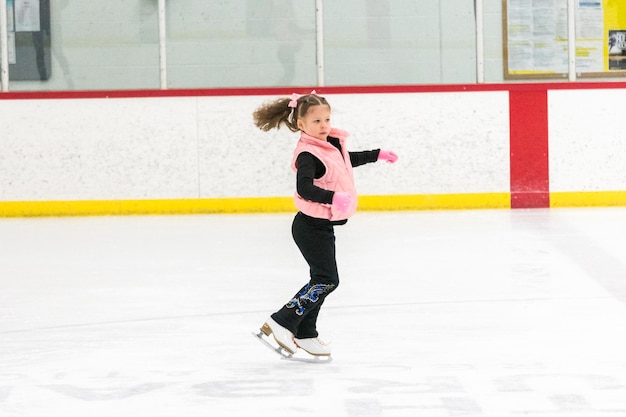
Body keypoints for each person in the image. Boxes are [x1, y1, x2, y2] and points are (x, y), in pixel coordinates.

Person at [252, 92, 398, 356]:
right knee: (326, 279)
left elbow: (344, 163)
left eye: (327, 119)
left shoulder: (329, 147)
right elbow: (304, 188)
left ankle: (306, 333)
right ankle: (281, 321)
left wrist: (377, 154)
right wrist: (333, 197)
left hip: (321, 226)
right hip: (309, 227)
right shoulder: (308, 154)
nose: (324, 125)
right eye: (317, 121)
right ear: (301, 124)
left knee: (322, 279)